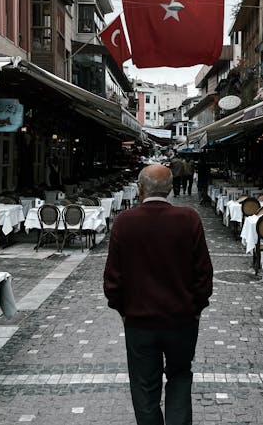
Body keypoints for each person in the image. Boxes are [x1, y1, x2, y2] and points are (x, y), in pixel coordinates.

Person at [103, 164, 213, 425]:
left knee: (144, 387)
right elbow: (204, 274)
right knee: (179, 376)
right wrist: (195, 308)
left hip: (140, 322)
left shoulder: (124, 222)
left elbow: (112, 279)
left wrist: (123, 310)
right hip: (182, 321)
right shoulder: (189, 219)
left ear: (140, 188)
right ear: (171, 189)